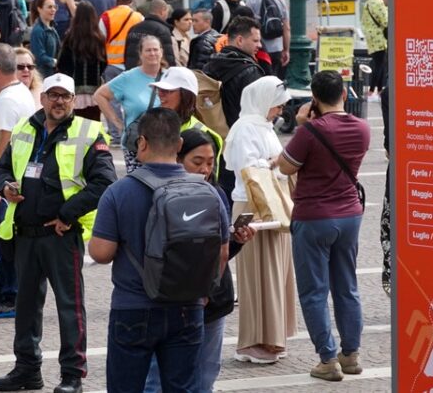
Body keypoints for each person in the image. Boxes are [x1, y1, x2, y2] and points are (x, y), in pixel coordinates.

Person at [0, 73, 116, 393]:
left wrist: (67, 213)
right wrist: (5, 186)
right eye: (53, 95)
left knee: (69, 306)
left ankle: (73, 375)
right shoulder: (24, 127)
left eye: (66, 96)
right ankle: (27, 369)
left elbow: (104, 182)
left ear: (74, 101)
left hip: (61, 235)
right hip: (25, 233)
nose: (59, 101)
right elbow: (1, 168)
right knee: (26, 306)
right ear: (43, 97)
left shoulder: (88, 131)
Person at [89, 108, 230, 392]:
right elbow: (222, 251)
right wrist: (203, 290)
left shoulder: (119, 192)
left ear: (141, 143)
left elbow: (101, 253)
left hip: (133, 307)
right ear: (179, 145)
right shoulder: (208, 191)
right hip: (188, 307)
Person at [142, 128, 254, 393]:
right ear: (177, 158)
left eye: (210, 162)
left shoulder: (216, 194)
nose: (205, 169)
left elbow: (221, 253)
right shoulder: (158, 195)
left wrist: (237, 239)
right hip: (171, 300)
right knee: (157, 378)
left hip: (213, 302)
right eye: (197, 161)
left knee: (205, 376)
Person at [278, 70, 369, 381]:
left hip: (313, 216)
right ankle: (351, 354)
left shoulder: (310, 131)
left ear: (314, 99)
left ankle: (327, 359)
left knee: (314, 291)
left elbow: (286, 165)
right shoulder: (362, 129)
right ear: (344, 93)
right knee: (347, 286)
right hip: (350, 216)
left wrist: (304, 125)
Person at [223, 76, 297, 365]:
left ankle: (272, 337)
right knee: (257, 274)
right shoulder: (244, 128)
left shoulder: (263, 126)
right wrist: (276, 162)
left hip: (272, 204)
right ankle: (256, 340)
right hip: (253, 205)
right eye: (276, 106)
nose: (279, 111)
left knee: (273, 272)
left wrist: (277, 162)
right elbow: (248, 168)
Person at [0, 44, 37, 318]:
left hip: (9, 178)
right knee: (8, 240)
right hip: (21, 174)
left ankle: (8, 294)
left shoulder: (5, 100)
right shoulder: (21, 93)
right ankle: (2, 290)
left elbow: (2, 144)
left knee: (5, 241)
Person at [95, 35, 166, 168]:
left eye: (156, 50)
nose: (153, 53)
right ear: (140, 54)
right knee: (139, 187)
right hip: (136, 146)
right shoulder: (128, 78)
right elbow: (100, 95)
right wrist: (117, 123)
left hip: (165, 145)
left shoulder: (170, 76)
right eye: (148, 50)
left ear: (161, 52)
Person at [204, 16, 268, 129]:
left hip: (217, 131)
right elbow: (259, 110)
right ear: (240, 40)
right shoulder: (250, 71)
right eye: (255, 40)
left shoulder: (211, 63)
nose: (260, 45)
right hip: (244, 133)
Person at [56, 3, 107, 121]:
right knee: (92, 127)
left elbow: (62, 64)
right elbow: (105, 63)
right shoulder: (100, 39)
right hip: (95, 91)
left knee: (74, 126)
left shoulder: (70, 38)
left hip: (74, 90)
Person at [247, 0, 290, 77]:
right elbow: (286, 27)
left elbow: (248, 26)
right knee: (277, 81)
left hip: (260, 48)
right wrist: (286, 50)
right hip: (277, 48)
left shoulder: (252, 0)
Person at [98, 0, 143, 80]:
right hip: (133, 66)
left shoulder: (106, 16)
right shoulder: (139, 18)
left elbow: (99, 42)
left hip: (112, 66)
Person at [124, 0, 176, 70]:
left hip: (132, 71)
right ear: (162, 11)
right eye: (167, 11)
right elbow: (168, 56)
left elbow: (126, 54)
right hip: (153, 72)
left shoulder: (133, 28)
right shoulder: (162, 30)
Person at [362, 0, 388, 101]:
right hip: (379, 38)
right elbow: (386, 21)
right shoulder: (379, 3)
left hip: (371, 38)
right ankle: (373, 91)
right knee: (379, 65)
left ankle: (378, 91)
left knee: (379, 63)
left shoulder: (367, 3)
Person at [29, 0, 60, 78]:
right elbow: (39, 56)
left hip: (51, 74)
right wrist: (55, 61)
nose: (53, 10)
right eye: (49, 7)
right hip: (42, 75)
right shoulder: (38, 31)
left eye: (54, 7)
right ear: (39, 9)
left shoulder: (53, 29)